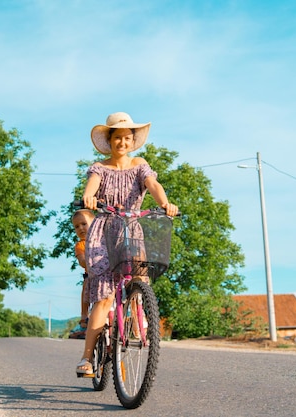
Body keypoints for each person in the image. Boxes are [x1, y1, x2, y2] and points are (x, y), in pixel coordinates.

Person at [76, 111, 178, 377]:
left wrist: (164, 202)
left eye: (127, 138)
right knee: (104, 296)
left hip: (131, 228)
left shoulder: (139, 164)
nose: (123, 142)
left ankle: (136, 321)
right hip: (104, 230)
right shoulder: (100, 167)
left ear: (133, 141)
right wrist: (88, 197)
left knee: (140, 281)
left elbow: (152, 183)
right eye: (118, 137)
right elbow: (91, 186)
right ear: (110, 141)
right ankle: (87, 358)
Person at [68, 209, 95, 339]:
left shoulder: (104, 239)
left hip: (109, 276)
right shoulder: (81, 245)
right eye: (76, 227)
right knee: (86, 283)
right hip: (93, 276)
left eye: (84, 224)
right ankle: (84, 318)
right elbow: (82, 260)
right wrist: (87, 262)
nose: (81, 228)